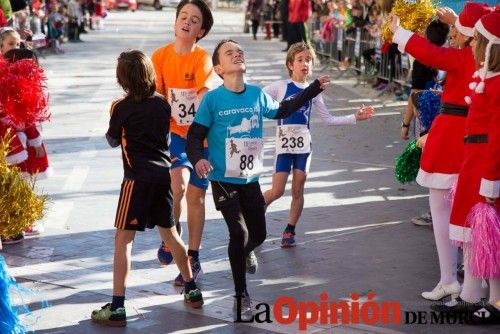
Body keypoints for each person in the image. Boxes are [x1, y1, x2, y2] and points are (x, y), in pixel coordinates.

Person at [186, 39, 330, 321]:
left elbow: (283, 110)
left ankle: (246, 253)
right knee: (237, 233)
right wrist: (198, 159)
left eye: (239, 51)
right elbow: (194, 136)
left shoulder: (255, 94)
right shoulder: (213, 99)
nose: (237, 54)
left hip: (249, 178)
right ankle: (241, 296)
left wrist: (313, 88)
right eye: (229, 53)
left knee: (259, 235)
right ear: (218, 68)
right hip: (222, 178)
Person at [90, 50, 204, 328]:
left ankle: (117, 306)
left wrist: (113, 117)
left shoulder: (120, 106)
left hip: (136, 180)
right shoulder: (163, 104)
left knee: (123, 238)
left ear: (122, 79)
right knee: (171, 234)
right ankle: (191, 288)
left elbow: (112, 140)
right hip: (162, 176)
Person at [389, 2, 493, 303]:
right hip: (474, 138)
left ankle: (450, 279)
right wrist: (459, 22)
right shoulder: (486, 58)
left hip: (451, 137)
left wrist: (399, 32)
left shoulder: (465, 57)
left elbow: (432, 54)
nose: (454, 36)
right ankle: (477, 280)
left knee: (444, 213)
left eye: (458, 33)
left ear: (467, 36)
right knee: (474, 215)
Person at [263, 42, 373, 247]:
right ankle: (259, 208)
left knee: (298, 190)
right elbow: (258, 99)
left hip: (303, 147)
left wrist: (355, 117)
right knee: (277, 191)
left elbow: (328, 120)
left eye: (309, 60)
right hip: (284, 147)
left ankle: (289, 230)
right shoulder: (280, 87)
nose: (305, 63)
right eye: (300, 60)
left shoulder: (315, 91)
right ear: (290, 64)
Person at [438, 10, 499, 323]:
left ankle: (497, 302)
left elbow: (496, 138)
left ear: (490, 47)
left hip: (487, 170)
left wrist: (490, 181)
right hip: (473, 165)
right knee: (477, 237)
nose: (472, 45)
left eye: (478, 40)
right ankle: (472, 294)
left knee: (492, 239)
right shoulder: (486, 78)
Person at [151, 0, 214, 287]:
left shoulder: (202, 59)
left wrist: (199, 107)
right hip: (175, 136)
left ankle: (194, 255)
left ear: (200, 30)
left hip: (202, 138)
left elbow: (206, 89)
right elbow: (156, 95)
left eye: (195, 20)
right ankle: (171, 233)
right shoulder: (160, 56)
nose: (187, 22)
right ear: (175, 21)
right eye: (183, 16)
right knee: (178, 186)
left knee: (196, 198)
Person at [399, 20, 449, 227]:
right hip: (447, 118)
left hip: (429, 119)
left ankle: (435, 212)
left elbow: (415, 94)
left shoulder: (422, 60)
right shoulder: (450, 58)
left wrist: (405, 123)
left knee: (431, 166)